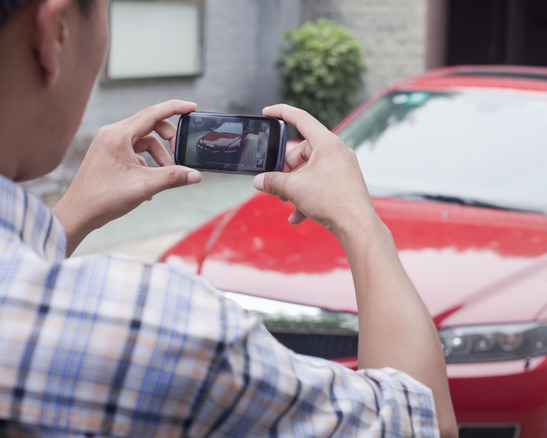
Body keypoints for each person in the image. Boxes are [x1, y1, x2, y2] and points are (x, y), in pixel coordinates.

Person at [0, 0, 457, 436]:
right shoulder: (156, 324)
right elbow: (422, 422)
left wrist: (72, 216)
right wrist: (360, 221)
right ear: (53, 34)